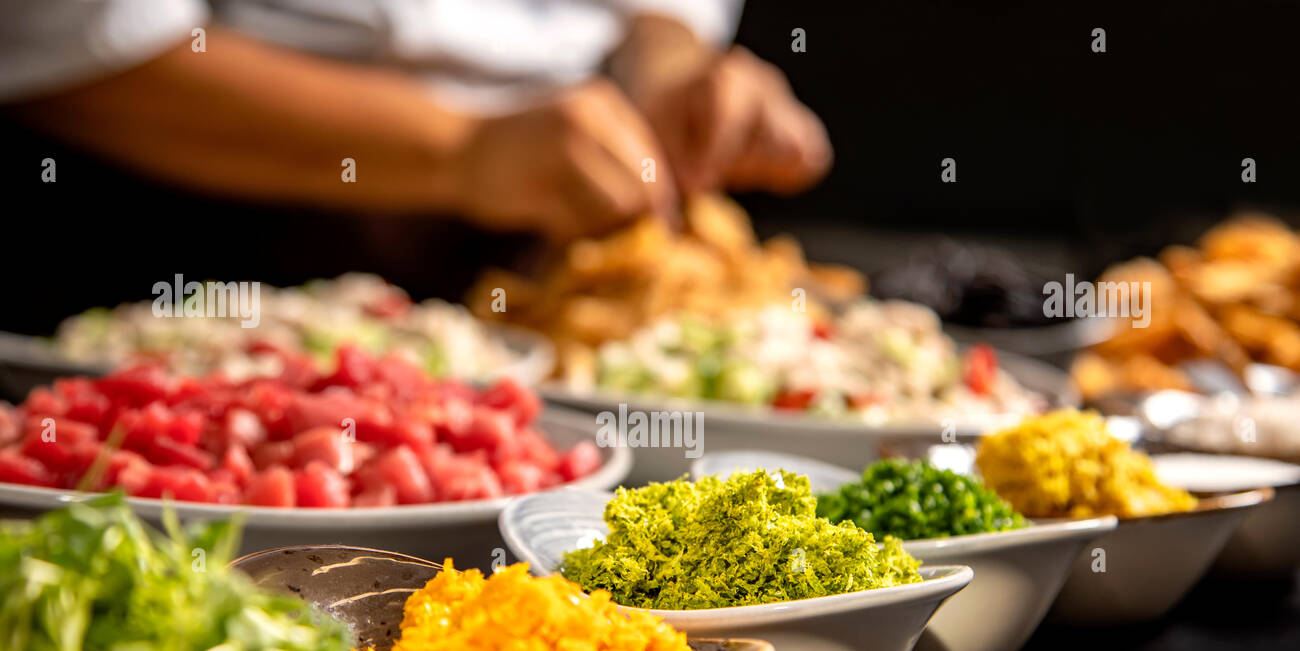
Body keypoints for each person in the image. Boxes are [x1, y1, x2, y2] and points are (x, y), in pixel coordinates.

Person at [2, 1, 831, 240]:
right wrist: (467, 152)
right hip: (187, 229)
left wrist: (671, 64)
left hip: (561, 223)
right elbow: (67, 46)